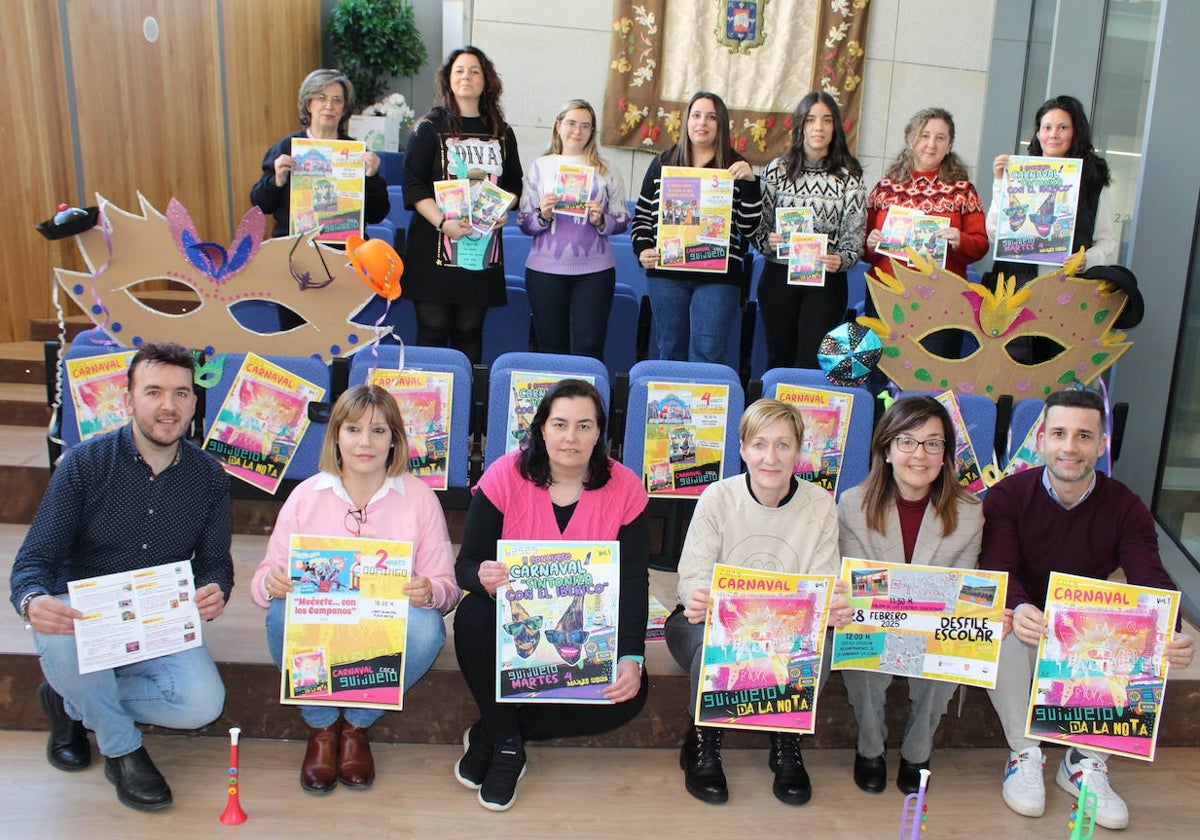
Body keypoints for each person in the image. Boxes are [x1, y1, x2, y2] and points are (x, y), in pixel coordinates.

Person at [10, 343, 232, 812]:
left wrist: (217, 588)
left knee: (202, 703)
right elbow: (33, 562)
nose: (168, 406)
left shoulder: (210, 476)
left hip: (158, 618)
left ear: (195, 403)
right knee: (59, 636)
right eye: (153, 391)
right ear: (128, 400)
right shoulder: (83, 465)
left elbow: (215, 562)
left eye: (181, 393)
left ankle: (68, 701)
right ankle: (122, 749)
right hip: (85, 615)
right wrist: (32, 600)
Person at [979, 388, 1195, 831]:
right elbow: (998, 566)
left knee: (1144, 630)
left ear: (1101, 445)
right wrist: (1017, 606)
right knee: (994, 620)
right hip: (1031, 626)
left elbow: (1149, 574)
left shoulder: (1125, 505)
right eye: (1059, 433)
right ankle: (1025, 753)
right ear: (1040, 440)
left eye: (1083, 435)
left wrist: (1172, 629)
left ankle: (1084, 760)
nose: (1070, 447)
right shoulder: (1006, 497)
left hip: (1085, 637)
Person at [250, 385, 459, 794]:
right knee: (279, 612)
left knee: (428, 629)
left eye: (379, 431)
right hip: (324, 625)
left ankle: (356, 725)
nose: (365, 442)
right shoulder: (305, 496)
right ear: (336, 437)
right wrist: (270, 582)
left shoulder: (420, 499)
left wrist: (428, 591)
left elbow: (448, 590)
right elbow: (262, 582)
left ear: (395, 439)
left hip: (383, 625)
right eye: (353, 429)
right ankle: (322, 726)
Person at [453, 379, 649, 811]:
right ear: (541, 428)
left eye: (584, 425)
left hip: (584, 627)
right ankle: (507, 746)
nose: (571, 437)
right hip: (513, 622)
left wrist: (631, 657)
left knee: (629, 692)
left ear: (600, 433)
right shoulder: (505, 473)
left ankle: (493, 729)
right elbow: (465, 566)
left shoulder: (626, 486)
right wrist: (482, 576)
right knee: (472, 615)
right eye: (559, 423)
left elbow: (634, 580)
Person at [664, 398, 852, 806]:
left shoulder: (820, 504)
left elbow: (824, 580)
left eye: (784, 445)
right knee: (705, 640)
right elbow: (693, 575)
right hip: (713, 622)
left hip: (785, 631)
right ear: (743, 449)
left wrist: (831, 605)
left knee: (822, 643)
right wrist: (699, 597)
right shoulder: (718, 496)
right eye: (760, 444)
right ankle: (704, 739)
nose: (771, 457)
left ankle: (786, 741)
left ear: (799, 452)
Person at [837, 395, 983, 795]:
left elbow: (964, 584)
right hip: (876, 617)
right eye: (907, 442)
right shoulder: (852, 505)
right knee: (858, 640)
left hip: (934, 623)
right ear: (886, 449)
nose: (920, 455)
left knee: (955, 644)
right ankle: (870, 748)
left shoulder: (970, 512)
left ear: (945, 454)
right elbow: (856, 586)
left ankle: (919, 751)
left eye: (933, 443)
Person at [402, 46, 523, 363]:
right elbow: (413, 184)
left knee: (470, 329)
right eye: (459, 70)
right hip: (432, 245)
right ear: (448, 80)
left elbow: (514, 184)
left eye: (474, 71)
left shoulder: (502, 132)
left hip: (479, 247)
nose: (466, 77)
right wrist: (443, 223)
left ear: (486, 80)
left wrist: (500, 212)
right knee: (433, 326)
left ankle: (465, 406)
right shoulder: (428, 127)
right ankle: (427, 404)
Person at [631, 91, 762, 368]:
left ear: (721, 124)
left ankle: (705, 412)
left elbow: (750, 228)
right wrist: (642, 249)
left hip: (718, 277)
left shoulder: (737, 167)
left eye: (711, 117)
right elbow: (642, 216)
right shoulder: (663, 163)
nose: (702, 122)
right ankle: (672, 411)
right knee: (670, 351)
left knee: (709, 353)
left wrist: (750, 184)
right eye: (696, 115)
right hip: (667, 273)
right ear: (686, 121)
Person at [752, 92, 866, 369]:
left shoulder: (849, 175)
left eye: (827, 120)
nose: (819, 127)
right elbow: (758, 227)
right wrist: (769, 240)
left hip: (826, 282)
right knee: (778, 359)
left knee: (813, 362)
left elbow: (855, 236)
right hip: (780, 277)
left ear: (835, 127)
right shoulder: (775, 171)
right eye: (812, 119)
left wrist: (843, 259)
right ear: (801, 125)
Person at [865, 107, 988, 360]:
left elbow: (980, 244)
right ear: (910, 138)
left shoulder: (963, 191)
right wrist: (870, 242)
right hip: (888, 295)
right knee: (884, 367)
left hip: (942, 298)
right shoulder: (885, 188)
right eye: (924, 135)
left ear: (950, 143)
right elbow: (863, 244)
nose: (931, 144)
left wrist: (960, 240)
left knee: (934, 367)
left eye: (940, 137)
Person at [518, 99, 629, 359]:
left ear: (592, 132)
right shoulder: (540, 166)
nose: (577, 131)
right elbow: (524, 222)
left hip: (595, 272)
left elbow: (623, 219)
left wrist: (602, 220)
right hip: (544, 270)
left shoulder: (606, 169)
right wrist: (543, 215)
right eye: (571, 123)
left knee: (588, 349)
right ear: (558, 126)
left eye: (585, 126)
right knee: (550, 348)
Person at [986, 94, 1117, 286]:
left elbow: (1107, 241)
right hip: (1013, 286)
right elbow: (993, 233)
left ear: (1075, 132)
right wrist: (999, 183)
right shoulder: (1018, 176)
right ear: (1038, 133)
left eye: (1062, 128)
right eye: (1047, 128)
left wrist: (1088, 259)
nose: (1053, 134)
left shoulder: (1093, 184)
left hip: (1066, 289)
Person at [250, 68, 389, 240]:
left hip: (344, 250)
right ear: (308, 104)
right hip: (294, 248)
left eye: (337, 100)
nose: (329, 106)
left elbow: (377, 215)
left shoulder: (358, 153)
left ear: (344, 109)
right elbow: (260, 205)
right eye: (321, 98)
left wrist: (372, 178)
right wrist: (277, 181)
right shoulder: (286, 148)